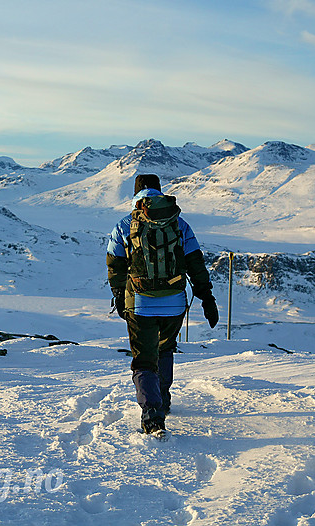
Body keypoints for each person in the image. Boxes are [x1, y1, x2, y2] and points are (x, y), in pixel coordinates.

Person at [106, 174, 219, 435]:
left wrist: (120, 297)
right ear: (159, 191)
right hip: (175, 303)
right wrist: (207, 298)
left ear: (135, 195)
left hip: (140, 303)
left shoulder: (124, 225)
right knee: (165, 349)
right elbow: (195, 263)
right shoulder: (180, 224)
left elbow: (115, 266)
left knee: (144, 360)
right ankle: (163, 400)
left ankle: (152, 413)